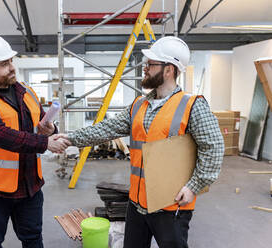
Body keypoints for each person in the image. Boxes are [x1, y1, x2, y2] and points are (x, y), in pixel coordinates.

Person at [55, 36, 224, 248]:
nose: (145, 68)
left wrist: (193, 187)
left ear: (169, 70)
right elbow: (106, 129)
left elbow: (214, 150)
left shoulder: (193, 106)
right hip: (137, 204)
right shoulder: (138, 105)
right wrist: (70, 138)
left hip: (171, 206)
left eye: (151, 64)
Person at [0, 34, 70, 248]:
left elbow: (40, 121)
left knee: (33, 239)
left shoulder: (26, 92)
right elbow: (1, 135)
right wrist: (45, 144)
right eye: (3, 64)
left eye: (11, 61)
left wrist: (50, 129)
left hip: (30, 186)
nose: (11, 67)